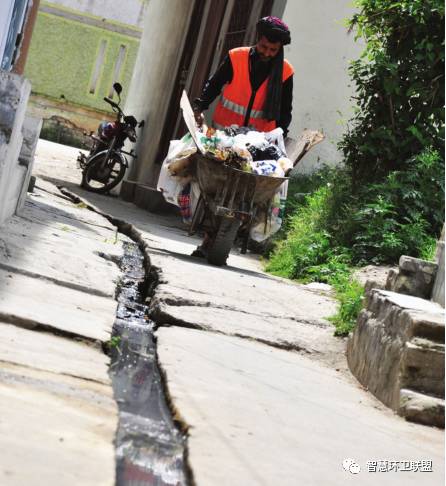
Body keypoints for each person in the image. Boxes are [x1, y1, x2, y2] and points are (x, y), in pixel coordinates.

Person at [193, 16, 293, 136]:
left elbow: (285, 110)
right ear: (257, 39)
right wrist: (200, 107)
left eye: (273, 50)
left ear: (279, 49)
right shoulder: (236, 57)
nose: (267, 53)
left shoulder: (286, 71)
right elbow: (214, 84)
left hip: (258, 141)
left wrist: (281, 135)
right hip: (224, 135)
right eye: (264, 47)